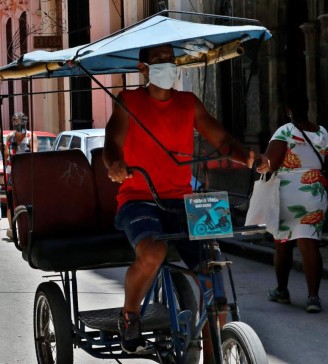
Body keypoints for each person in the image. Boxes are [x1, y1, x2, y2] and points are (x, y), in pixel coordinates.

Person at [103, 44, 254, 354]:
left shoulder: (188, 102)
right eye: (159, 60)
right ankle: (130, 314)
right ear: (143, 68)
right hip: (139, 198)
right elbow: (112, 142)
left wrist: (251, 159)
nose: (168, 66)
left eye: (171, 60)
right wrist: (115, 164)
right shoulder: (128, 100)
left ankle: (215, 357)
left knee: (214, 275)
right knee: (153, 251)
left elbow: (223, 140)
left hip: (185, 200)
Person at [257, 93, 326, 313]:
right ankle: (313, 298)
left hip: (288, 191)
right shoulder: (322, 132)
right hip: (316, 190)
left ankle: (282, 290)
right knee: (310, 244)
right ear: (308, 107)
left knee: (283, 243)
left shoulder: (285, 131)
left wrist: (259, 164)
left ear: (288, 109)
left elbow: (271, 163)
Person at [3, 112, 36, 238]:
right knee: (11, 202)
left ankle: (28, 227)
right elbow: (6, 156)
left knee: (27, 201)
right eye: (15, 122)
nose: (18, 125)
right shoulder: (9, 138)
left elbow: (35, 154)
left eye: (20, 122)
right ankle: (13, 230)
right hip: (11, 175)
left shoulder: (31, 136)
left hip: (26, 175)